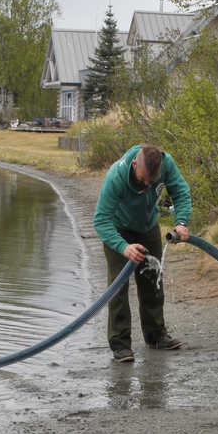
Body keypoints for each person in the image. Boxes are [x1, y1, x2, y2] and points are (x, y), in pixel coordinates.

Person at [93, 144, 192, 362]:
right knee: (118, 287)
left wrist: (181, 222)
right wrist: (123, 247)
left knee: (153, 279)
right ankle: (120, 344)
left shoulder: (166, 164)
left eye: (152, 182)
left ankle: (156, 336)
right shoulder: (116, 176)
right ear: (135, 164)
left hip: (147, 227)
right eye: (143, 180)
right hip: (118, 229)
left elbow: (181, 192)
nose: (147, 185)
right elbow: (100, 220)